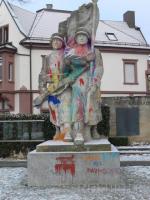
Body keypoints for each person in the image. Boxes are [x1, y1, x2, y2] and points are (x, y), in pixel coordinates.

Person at [63, 27, 103, 144]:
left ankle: (91, 130)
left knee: (91, 106)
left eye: (84, 36)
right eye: (79, 36)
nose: (81, 38)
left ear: (88, 38)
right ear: (75, 39)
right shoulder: (71, 52)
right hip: (77, 82)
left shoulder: (94, 51)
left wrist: (95, 81)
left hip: (90, 81)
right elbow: (65, 71)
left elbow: (99, 67)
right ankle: (78, 132)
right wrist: (67, 66)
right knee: (77, 106)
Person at [38, 33, 72, 142]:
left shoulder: (67, 55)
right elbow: (42, 73)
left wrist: (68, 80)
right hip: (52, 88)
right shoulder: (48, 58)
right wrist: (42, 88)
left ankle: (67, 132)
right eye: (54, 41)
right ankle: (58, 131)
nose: (56, 42)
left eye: (58, 40)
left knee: (66, 108)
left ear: (62, 43)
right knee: (54, 110)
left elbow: (72, 71)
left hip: (65, 86)